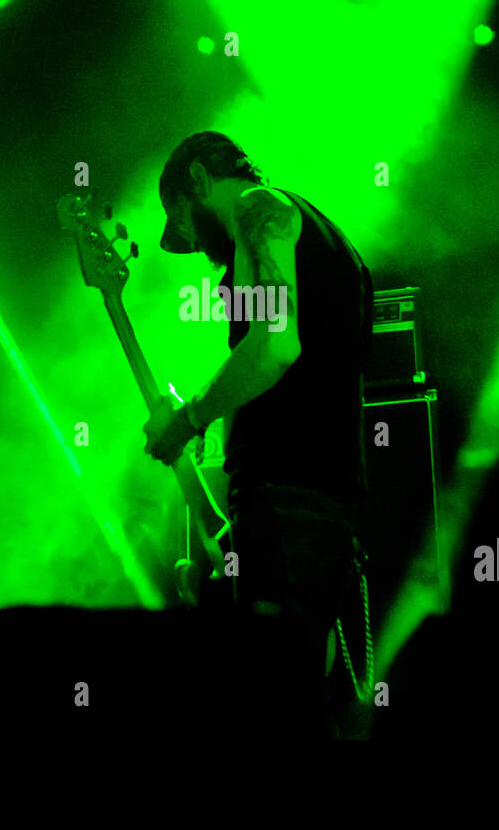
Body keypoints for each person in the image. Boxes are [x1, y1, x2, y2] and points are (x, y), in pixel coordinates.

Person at [142, 131, 373, 735]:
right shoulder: (329, 239)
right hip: (318, 505)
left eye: (181, 222)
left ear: (197, 181)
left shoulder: (256, 209)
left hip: (286, 507)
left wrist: (192, 419)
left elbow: (273, 345)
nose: (190, 246)